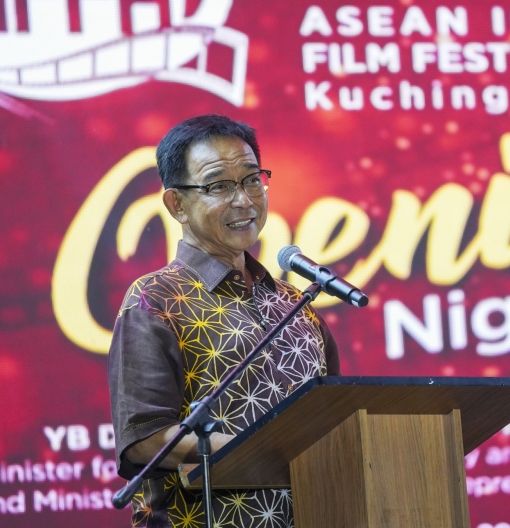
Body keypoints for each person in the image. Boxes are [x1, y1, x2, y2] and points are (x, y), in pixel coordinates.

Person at [108, 114, 341, 528]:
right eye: (218, 186)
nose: (244, 199)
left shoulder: (295, 303)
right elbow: (143, 440)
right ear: (176, 204)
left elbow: (333, 420)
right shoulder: (153, 300)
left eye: (252, 179)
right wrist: (267, 452)